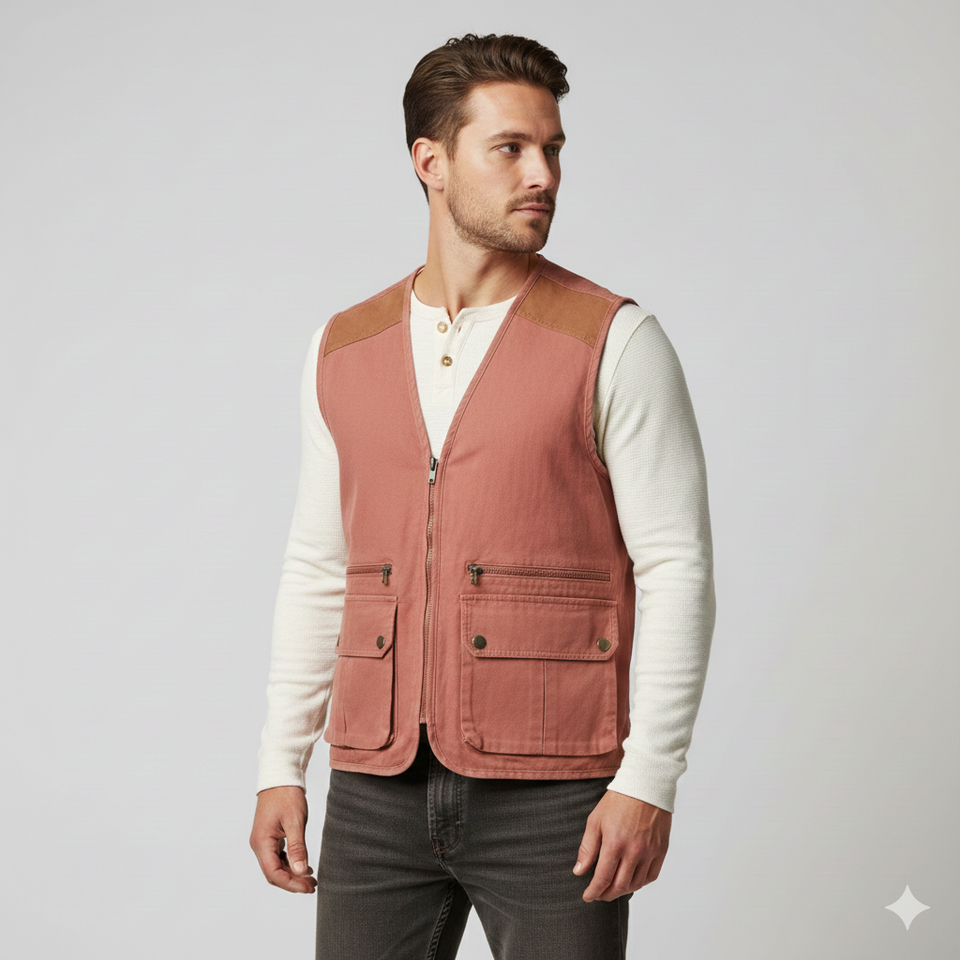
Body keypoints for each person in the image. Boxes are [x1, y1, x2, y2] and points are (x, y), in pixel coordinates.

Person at [250, 33, 716, 960]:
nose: (543, 174)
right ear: (431, 162)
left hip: (557, 796)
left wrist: (648, 779)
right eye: (510, 148)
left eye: (553, 149)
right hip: (375, 789)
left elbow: (677, 567)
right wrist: (280, 762)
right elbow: (320, 565)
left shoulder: (616, 342)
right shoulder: (342, 349)